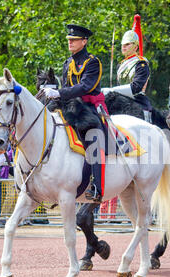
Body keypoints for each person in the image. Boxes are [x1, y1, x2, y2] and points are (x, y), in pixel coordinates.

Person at [42, 24, 107, 203]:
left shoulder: (92, 62)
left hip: (88, 109)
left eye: (74, 40)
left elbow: (86, 86)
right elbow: (66, 87)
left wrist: (60, 93)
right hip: (69, 107)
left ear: (84, 41)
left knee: (94, 137)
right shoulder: (67, 63)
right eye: (69, 40)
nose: (70, 42)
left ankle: (97, 186)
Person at [101, 15, 153, 123]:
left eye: (127, 44)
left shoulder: (141, 63)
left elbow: (136, 87)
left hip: (138, 101)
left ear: (136, 46)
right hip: (120, 100)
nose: (123, 47)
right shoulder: (120, 65)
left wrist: (112, 90)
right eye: (122, 45)